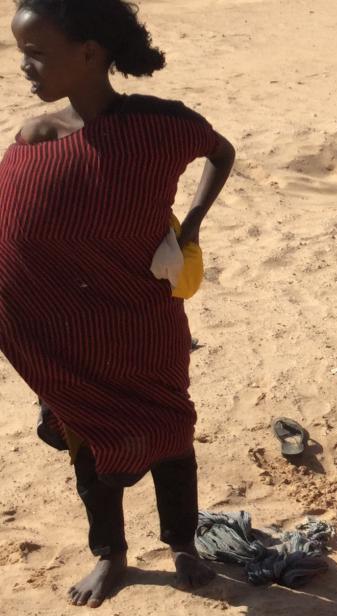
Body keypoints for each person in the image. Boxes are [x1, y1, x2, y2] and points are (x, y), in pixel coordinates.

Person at [0, 0, 236, 607]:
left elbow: (220, 152)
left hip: (142, 316)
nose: (24, 67)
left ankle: (182, 542)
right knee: (88, 437)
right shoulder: (32, 138)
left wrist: (191, 228)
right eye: (20, 52)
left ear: (89, 54)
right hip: (69, 330)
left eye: (36, 53)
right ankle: (112, 554)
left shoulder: (161, 125)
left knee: (170, 429)